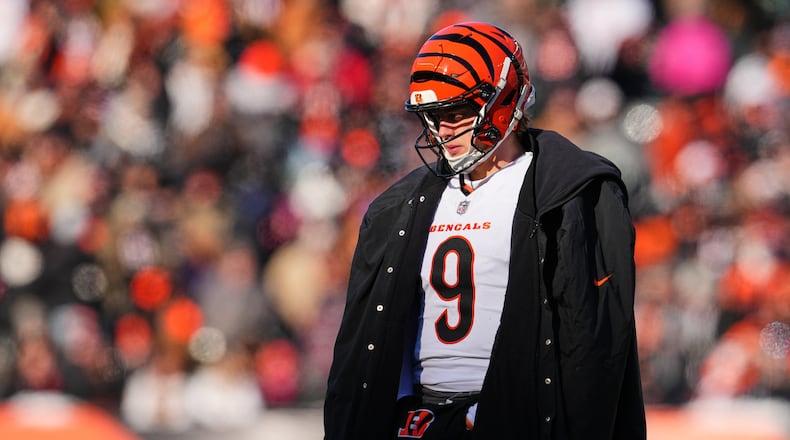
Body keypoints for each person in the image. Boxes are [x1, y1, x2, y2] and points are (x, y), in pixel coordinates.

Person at [324, 22, 646, 439]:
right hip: (420, 420)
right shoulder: (399, 205)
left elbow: (592, 339)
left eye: (455, 112)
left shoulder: (568, 191)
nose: (442, 130)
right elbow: (367, 341)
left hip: (511, 416)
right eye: (432, 116)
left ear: (504, 97)